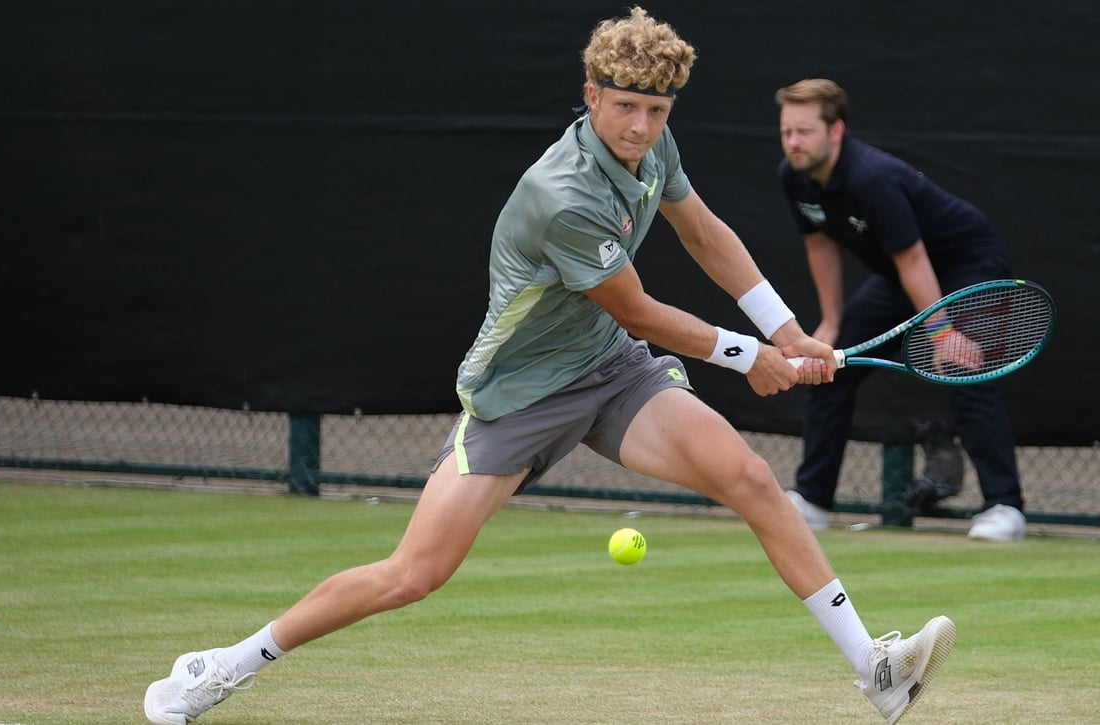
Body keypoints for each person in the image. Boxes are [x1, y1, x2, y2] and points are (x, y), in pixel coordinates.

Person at [143, 11, 956, 724]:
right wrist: (751, 356)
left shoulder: (654, 146)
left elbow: (704, 233)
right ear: (592, 95)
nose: (640, 127)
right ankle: (223, 667)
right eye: (627, 107)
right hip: (519, 394)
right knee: (413, 574)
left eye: (656, 110)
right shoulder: (562, 194)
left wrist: (785, 329)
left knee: (747, 475)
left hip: (611, 372)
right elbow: (636, 307)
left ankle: (874, 670)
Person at [774, 77, 1027, 541]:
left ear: (836, 132)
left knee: (966, 370)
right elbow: (820, 247)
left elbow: (913, 258)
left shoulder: (872, 178)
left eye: (804, 131)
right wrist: (831, 322)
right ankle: (811, 501)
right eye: (787, 130)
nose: (793, 141)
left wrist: (942, 332)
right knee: (828, 365)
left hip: (968, 261)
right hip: (902, 273)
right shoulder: (794, 177)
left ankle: (1004, 508)